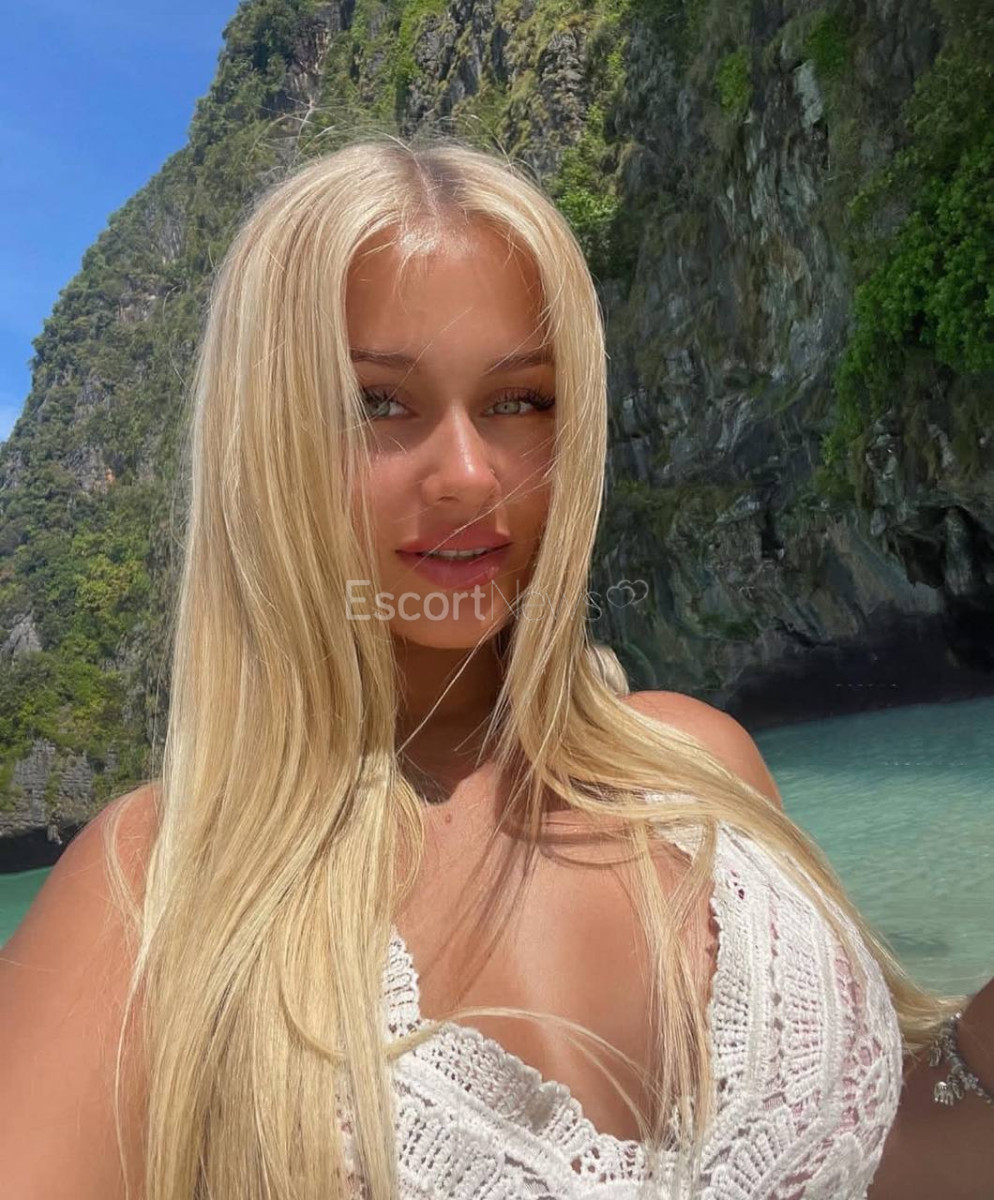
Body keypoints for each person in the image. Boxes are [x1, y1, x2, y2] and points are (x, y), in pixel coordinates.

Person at [1, 132, 991, 1200]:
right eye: (377, 403)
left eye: (519, 400)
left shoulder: (703, 771)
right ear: (267, 440)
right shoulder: (154, 899)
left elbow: (870, 1161)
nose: (470, 475)